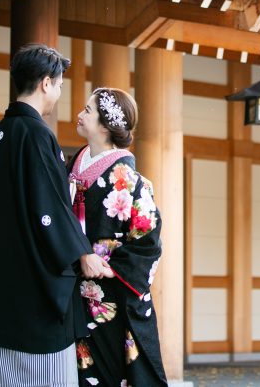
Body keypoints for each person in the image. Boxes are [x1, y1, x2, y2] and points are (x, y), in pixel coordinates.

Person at [0, 44, 113, 387]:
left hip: (1, 283)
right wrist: (81, 252)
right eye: (61, 85)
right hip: (35, 291)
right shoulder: (36, 134)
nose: (60, 93)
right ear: (46, 84)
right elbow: (48, 206)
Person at [69, 87, 167, 386]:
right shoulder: (73, 166)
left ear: (105, 125)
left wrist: (109, 266)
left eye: (87, 110)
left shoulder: (130, 179)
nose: (79, 113)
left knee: (111, 371)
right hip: (72, 284)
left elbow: (148, 241)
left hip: (110, 291)